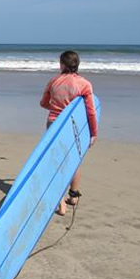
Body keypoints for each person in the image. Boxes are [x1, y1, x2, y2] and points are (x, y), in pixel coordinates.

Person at [40, 50, 98, 215]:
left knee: (56, 161)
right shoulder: (85, 84)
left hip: (53, 123)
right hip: (73, 126)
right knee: (74, 160)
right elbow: (91, 111)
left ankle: (60, 202)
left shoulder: (54, 81)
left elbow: (43, 102)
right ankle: (72, 197)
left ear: (62, 65)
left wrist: (56, 108)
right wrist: (93, 133)